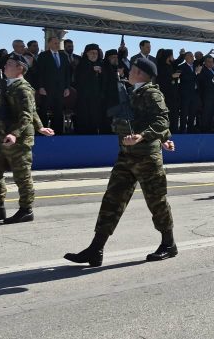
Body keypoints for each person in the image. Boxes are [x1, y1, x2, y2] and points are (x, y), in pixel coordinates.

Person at [64, 57, 177, 267]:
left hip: (146, 157)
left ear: (141, 73)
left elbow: (162, 120)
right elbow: (148, 120)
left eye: (132, 69)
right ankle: (95, 249)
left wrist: (144, 136)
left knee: (156, 201)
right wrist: (163, 138)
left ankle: (169, 244)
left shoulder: (152, 93)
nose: (129, 72)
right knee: (112, 200)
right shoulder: (133, 91)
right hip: (127, 155)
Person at [0, 54, 55, 224]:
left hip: (19, 138)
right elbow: (32, 111)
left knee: (21, 175)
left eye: (9, 64)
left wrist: (15, 134)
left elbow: (26, 114)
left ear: (20, 68)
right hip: (4, 134)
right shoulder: (7, 85)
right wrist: (40, 126)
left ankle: (26, 210)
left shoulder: (23, 88)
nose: (5, 66)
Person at [34, 36, 73, 134]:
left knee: (58, 111)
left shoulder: (63, 56)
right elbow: (40, 72)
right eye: (55, 43)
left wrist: (67, 87)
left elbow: (67, 73)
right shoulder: (43, 55)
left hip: (60, 89)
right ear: (49, 44)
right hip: (47, 88)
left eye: (58, 43)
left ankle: (57, 132)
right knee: (44, 110)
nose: (57, 45)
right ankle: (43, 132)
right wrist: (41, 86)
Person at [73, 44, 105, 134]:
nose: (94, 55)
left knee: (95, 119)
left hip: (97, 98)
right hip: (84, 98)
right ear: (87, 53)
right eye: (92, 53)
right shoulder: (81, 65)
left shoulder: (101, 64)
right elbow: (78, 79)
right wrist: (91, 69)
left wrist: (102, 73)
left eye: (96, 53)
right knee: (84, 119)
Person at [197, 56, 214, 132]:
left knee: (212, 112)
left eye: (212, 61)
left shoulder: (213, 70)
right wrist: (213, 80)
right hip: (207, 95)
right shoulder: (203, 70)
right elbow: (202, 82)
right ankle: (204, 129)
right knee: (206, 112)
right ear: (205, 62)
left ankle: (209, 128)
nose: (211, 63)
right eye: (209, 61)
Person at [178, 52, 199, 133]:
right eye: (190, 56)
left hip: (194, 93)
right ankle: (182, 128)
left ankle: (191, 128)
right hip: (185, 93)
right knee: (184, 112)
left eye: (192, 56)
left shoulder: (195, 66)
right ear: (186, 58)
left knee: (193, 112)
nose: (192, 57)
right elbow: (184, 78)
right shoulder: (181, 67)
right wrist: (196, 73)